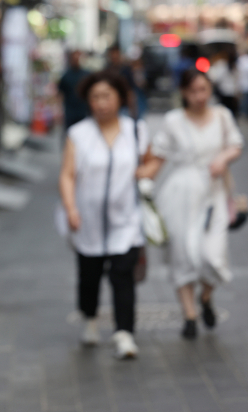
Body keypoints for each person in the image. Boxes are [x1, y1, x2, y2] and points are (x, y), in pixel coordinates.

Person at [137, 69, 243, 339]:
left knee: (212, 255)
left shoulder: (221, 116)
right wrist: (134, 176)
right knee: (183, 254)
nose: (199, 96)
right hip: (180, 195)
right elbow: (157, 159)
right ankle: (190, 315)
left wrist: (222, 159)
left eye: (203, 90)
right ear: (184, 92)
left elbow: (236, 144)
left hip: (214, 194)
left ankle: (206, 297)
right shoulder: (173, 121)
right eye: (193, 91)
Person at [59, 71, 147, 359]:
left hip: (127, 220)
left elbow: (153, 161)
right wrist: (71, 208)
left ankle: (124, 334)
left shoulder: (136, 130)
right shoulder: (78, 134)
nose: (101, 103)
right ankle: (90, 317)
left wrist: (146, 175)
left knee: (123, 276)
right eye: (95, 97)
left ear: (120, 98)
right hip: (88, 221)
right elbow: (68, 175)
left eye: (107, 96)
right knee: (89, 275)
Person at [57, 50, 90, 131]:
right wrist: (59, 111)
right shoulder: (66, 76)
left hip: (84, 111)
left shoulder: (87, 75)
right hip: (70, 112)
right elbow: (60, 94)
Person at [207, 50, 240, 117]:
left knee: (225, 111)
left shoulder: (223, 65)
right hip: (231, 92)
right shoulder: (234, 66)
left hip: (224, 91)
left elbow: (217, 78)